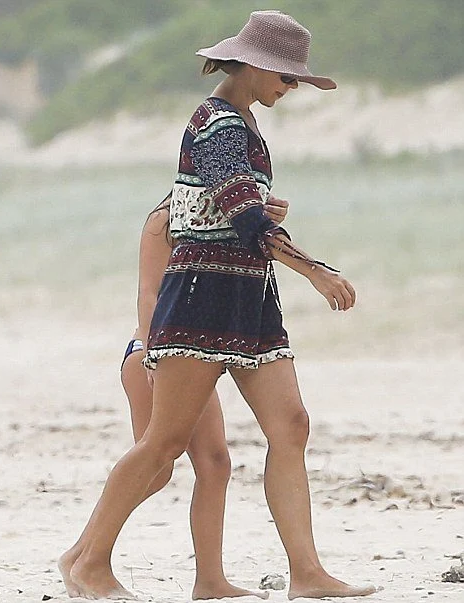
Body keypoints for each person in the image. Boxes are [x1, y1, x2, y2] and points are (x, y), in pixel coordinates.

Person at [60, 10, 377, 600]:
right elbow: (241, 215)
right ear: (255, 66)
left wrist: (258, 209)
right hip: (203, 296)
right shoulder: (218, 123)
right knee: (163, 442)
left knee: (292, 426)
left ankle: (305, 573)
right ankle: (89, 563)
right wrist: (314, 269)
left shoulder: (245, 125)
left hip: (250, 298)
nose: (289, 90)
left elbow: (220, 208)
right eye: (286, 79)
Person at [59, 192, 289, 600]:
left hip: (193, 353)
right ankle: (85, 559)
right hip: (154, 351)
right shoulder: (164, 219)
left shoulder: (223, 217)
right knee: (158, 461)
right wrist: (152, 357)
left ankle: (210, 581)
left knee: (215, 464)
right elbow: (149, 293)